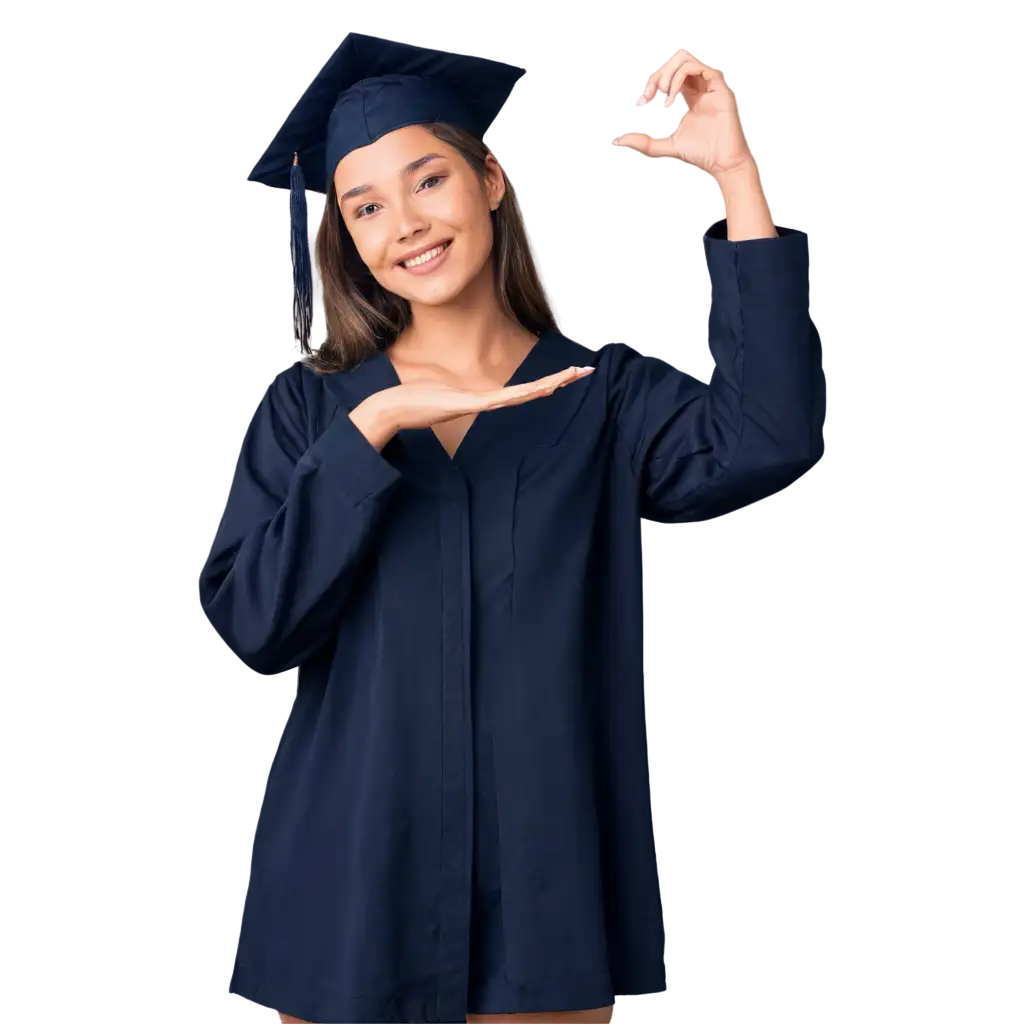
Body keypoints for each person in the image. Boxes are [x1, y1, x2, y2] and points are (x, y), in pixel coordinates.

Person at [192, 28, 818, 1024]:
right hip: (350, 894)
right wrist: (368, 437)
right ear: (346, 234)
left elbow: (766, 437)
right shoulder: (309, 414)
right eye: (364, 205)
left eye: (427, 179)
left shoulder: (602, 399)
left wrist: (737, 177)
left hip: (542, 896)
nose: (403, 223)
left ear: (490, 179)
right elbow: (254, 624)